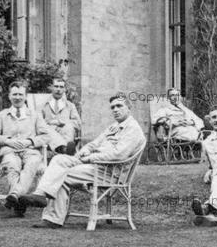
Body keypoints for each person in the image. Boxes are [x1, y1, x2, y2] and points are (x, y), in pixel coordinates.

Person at [19, 92, 146, 228]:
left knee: (61, 173)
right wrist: (85, 150)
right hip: (95, 166)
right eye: (112, 107)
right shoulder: (114, 126)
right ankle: (40, 195)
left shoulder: (132, 129)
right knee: (59, 160)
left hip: (110, 172)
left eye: (119, 106)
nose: (115, 110)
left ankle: (52, 218)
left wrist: (90, 158)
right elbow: (95, 143)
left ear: (129, 108)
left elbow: (118, 155)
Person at [0, 81, 61, 217]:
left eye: (20, 94)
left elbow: (46, 135)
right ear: (9, 96)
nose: (17, 97)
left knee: (32, 164)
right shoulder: (2, 115)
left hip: (30, 151)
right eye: (14, 94)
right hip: (9, 151)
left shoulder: (35, 115)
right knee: (12, 165)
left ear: (25, 96)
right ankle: (19, 200)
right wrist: (7, 141)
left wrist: (30, 141)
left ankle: (15, 194)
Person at [41, 78, 81, 155]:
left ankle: (64, 148)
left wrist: (64, 123)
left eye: (61, 87)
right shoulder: (43, 105)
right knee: (48, 129)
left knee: (68, 127)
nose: (58, 89)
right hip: (49, 137)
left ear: (64, 89)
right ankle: (65, 150)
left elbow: (78, 123)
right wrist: (50, 123)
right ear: (51, 88)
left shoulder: (70, 106)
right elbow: (37, 122)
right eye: (56, 86)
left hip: (65, 133)